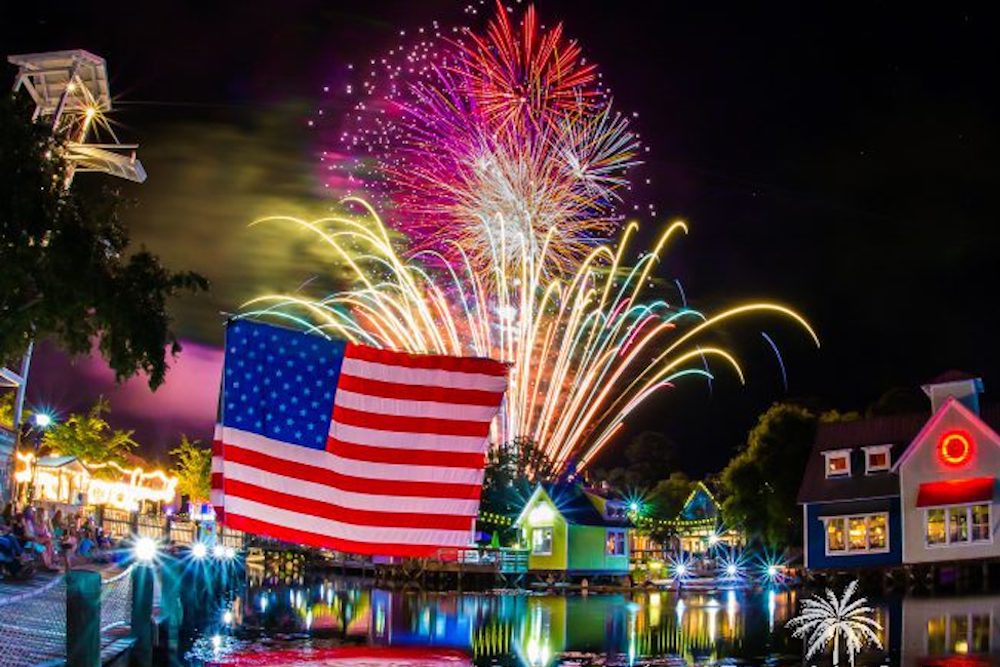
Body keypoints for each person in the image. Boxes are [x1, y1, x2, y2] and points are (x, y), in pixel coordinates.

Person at [23, 507, 57, 571]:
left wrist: (49, 524)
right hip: (33, 540)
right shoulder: (30, 522)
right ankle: (48, 564)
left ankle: (49, 563)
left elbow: (48, 532)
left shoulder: (39, 522)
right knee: (48, 543)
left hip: (39, 539)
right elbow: (30, 534)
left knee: (49, 544)